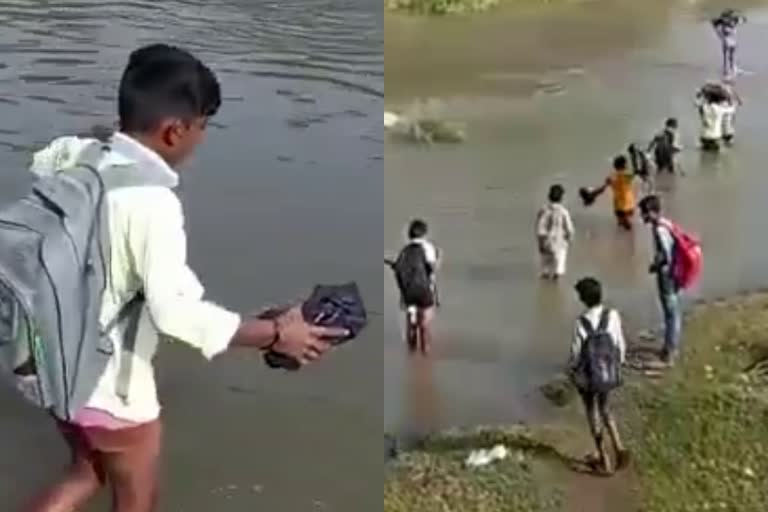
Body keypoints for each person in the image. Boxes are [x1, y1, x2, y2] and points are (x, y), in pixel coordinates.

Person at [23, 44, 347, 512]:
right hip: (110, 387)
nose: (202, 139)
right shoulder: (151, 202)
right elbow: (174, 313)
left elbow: (49, 172)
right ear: (175, 131)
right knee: (138, 500)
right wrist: (276, 334)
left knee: (85, 471)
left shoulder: (76, 157)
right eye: (203, 126)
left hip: (48, 364)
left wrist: (244, 322)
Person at [569, 277, 629, 475]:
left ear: (583, 299)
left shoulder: (581, 323)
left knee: (592, 413)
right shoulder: (612, 315)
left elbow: (575, 355)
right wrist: (617, 365)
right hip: (608, 371)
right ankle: (619, 448)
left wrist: (571, 373)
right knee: (605, 409)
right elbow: (620, 344)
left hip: (589, 377)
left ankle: (604, 459)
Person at [639, 195, 682, 366]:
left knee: (671, 313)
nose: (642, 217)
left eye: (644, 213)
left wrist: (656, 266)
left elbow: (666, 255)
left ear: (652, 212)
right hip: (674, 272)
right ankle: (670, 347)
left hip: (667, 274)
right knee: (673, 311)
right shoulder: (666, 223)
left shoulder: (659, 229)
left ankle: (669, 353)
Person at [391, 219, 441, 354]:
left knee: (410, 318)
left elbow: (399, 270)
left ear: (409, 235)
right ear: (425, 234)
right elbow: (433, 268)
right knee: (426, 320)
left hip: (407, 292)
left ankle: (411, 348)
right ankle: (425, 351)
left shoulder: (405, 251)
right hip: (424, 290)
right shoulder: (428, 247)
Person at [535, 184, 574, 280]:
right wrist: (570, 239)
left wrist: (540, 242)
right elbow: (569, 228)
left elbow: (539, 227)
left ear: (549, 196)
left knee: (545, 267)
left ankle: (546, 281)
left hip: (545, 242)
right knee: (558, 268)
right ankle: (555, 284)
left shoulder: (543, 210)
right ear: (562, 198)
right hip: (559, 243)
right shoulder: (564, 212)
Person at [594, 155, 636, 231]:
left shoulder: (611, 177)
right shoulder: (628, 175)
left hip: (618, 206)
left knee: (622, 225)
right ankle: (626, 240)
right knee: (628, 228)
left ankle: (622, 239)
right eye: (626, 163)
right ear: (624, 165)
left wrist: (593, 194)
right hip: (629, 204)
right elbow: (636, 173)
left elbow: (602, 189)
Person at [695, 83, 735, 153]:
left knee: (704, 159)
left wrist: (698, 95)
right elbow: (732, 109)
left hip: (704, 137)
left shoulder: (704, 107)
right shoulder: (720, 109)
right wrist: (729, 95)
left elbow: (696, 103)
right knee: (719, 159)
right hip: (715, 137)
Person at [712, 9, 746, 79]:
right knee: (727, 56)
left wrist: (741, 17)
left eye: (728, 17)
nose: (726, 19)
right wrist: (719, 34)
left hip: (732, 40)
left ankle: (732, 69)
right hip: (726, 40)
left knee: (731, 55)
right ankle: (727, 70)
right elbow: (714, 22)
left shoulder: (734, 20)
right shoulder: (721, 22)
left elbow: (744, 20)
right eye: (725, 17)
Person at [721, 80, 742, 146]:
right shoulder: (731, 91)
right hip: (730, 108)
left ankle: (726, 137)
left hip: (726, 107)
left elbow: (738, 100)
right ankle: (729, 139)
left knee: (726, 122)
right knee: (730, 122)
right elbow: (739, 101)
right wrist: (738, 102)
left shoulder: (725, 91)